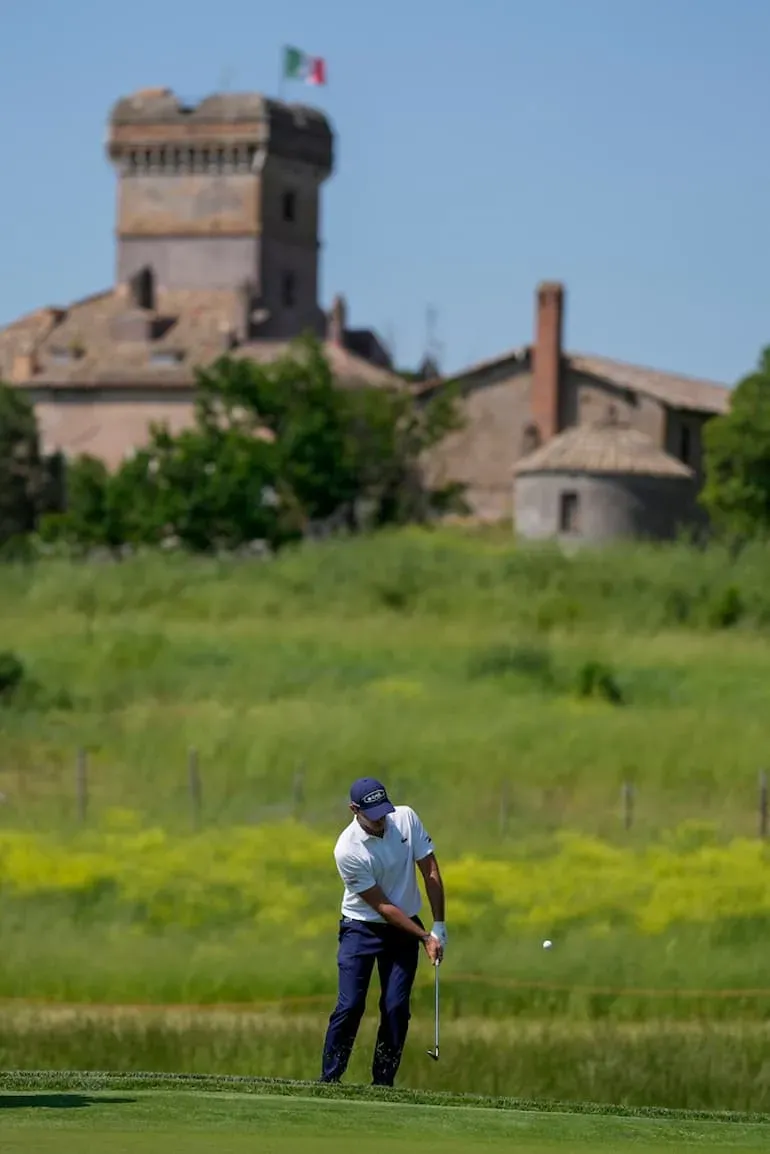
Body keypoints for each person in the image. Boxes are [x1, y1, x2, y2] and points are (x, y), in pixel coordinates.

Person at [320, 777, 446, 1087]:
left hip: (405, 930)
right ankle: (330, 1079)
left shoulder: (404, 818)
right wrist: (423, 937)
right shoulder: (347, 850)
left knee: (395, 1008)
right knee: (350, 1005)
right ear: (354, 809)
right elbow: (384, 908)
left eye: (383, 811)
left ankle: (383, 1084)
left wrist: (439, 925)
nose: (381, 820)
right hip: (360, 928)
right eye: (373, 814)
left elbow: (429, 870)